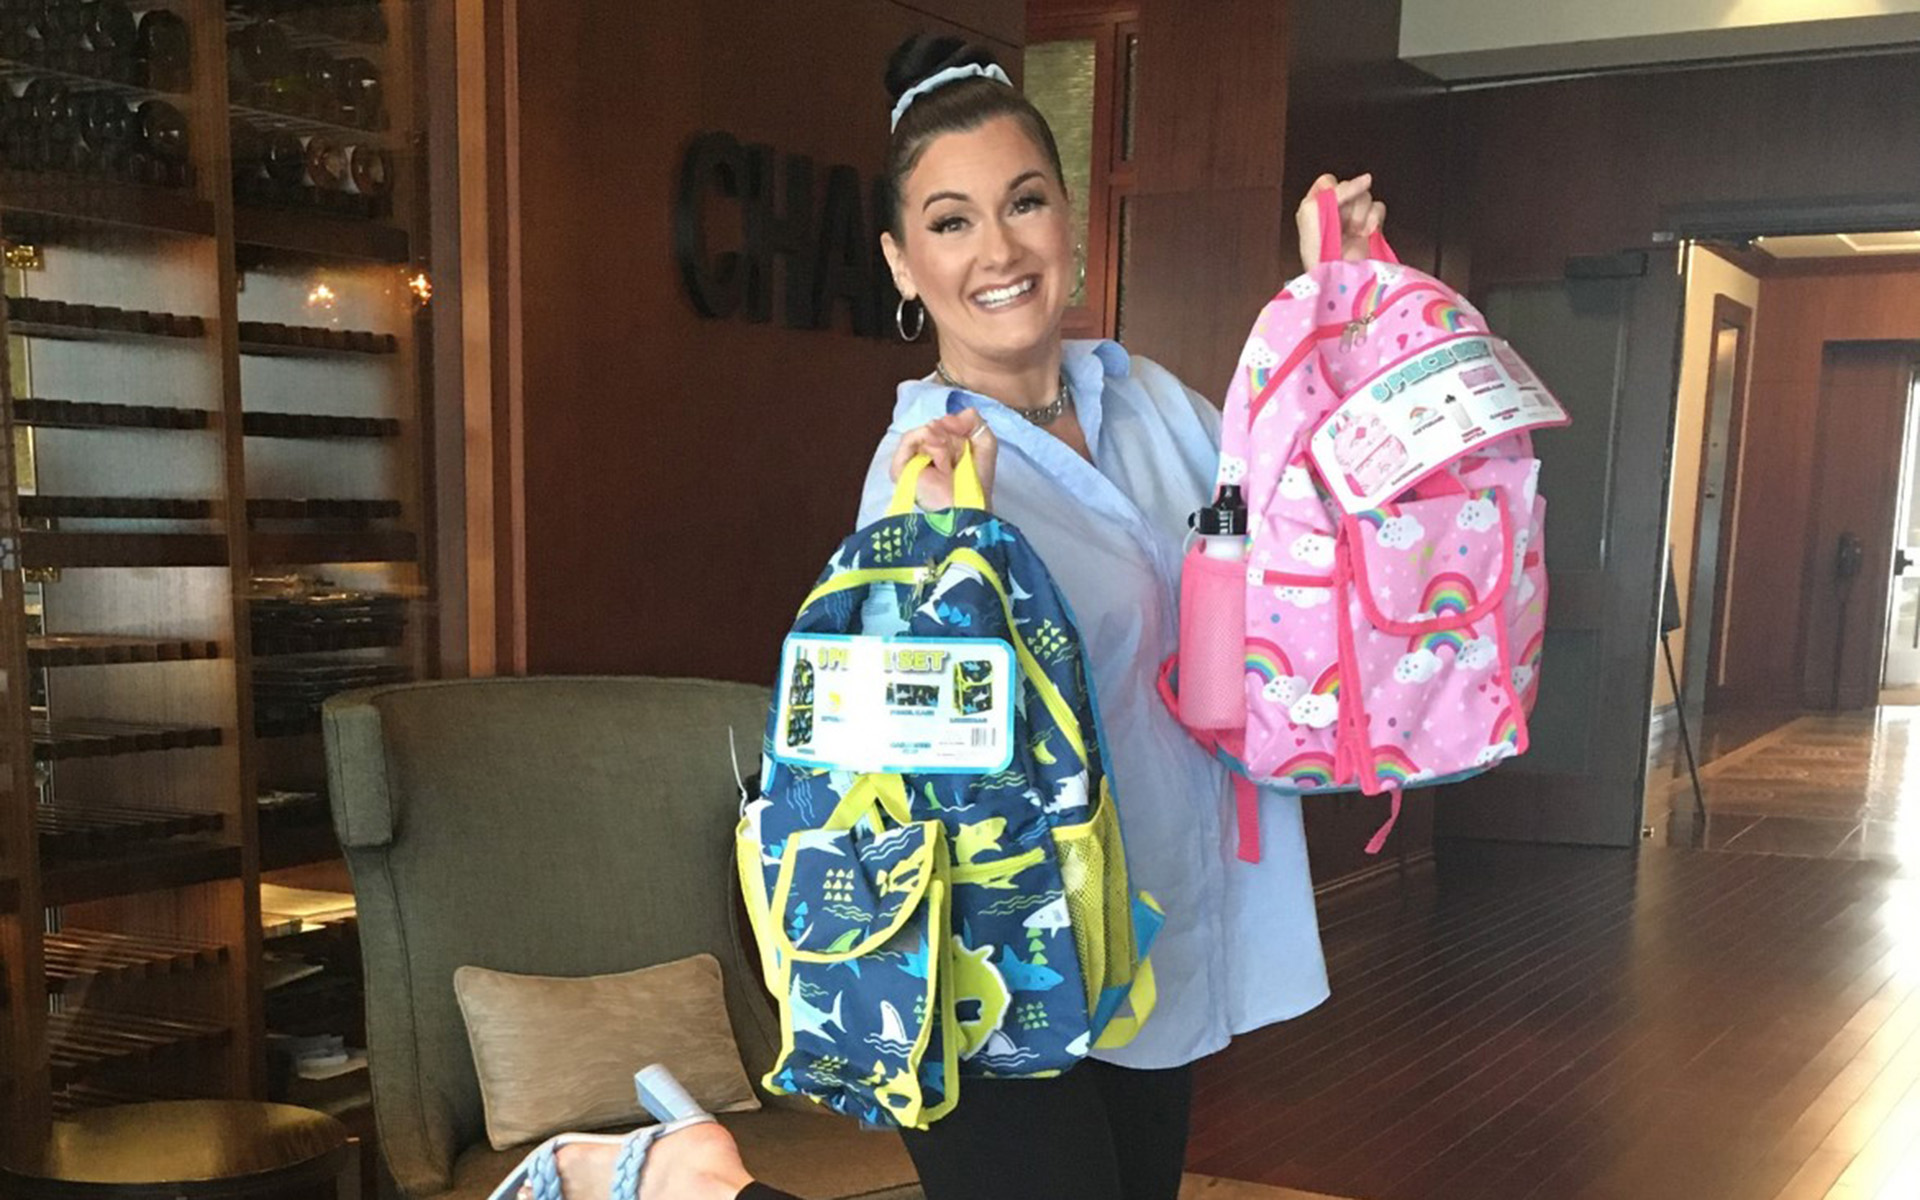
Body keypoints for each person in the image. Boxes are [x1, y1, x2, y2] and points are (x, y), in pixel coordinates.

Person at [521, 32, 1386, 1200]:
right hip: (996, 947)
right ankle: (689, 1183)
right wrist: (949, 560)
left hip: (1150, 939)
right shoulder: (917, 479)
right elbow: (909, 767)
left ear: (1068, 219)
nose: (998, 251)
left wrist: (1340, 311)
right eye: (950, 221)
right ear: (901, 261)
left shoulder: (1155, 408)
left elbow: (1307, 535)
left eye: (1023, 203)